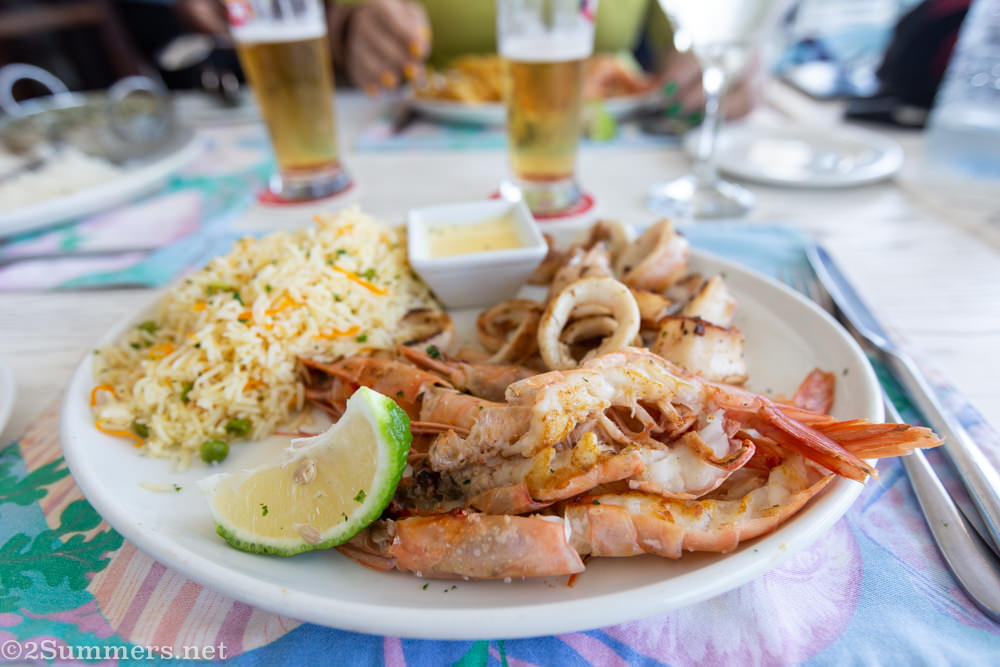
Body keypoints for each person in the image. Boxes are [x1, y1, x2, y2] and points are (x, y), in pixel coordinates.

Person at [175, 0, 760, 119]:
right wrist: (352, 20)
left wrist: (721, 63)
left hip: (605, 144)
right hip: (393, 135)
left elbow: (679, 35)